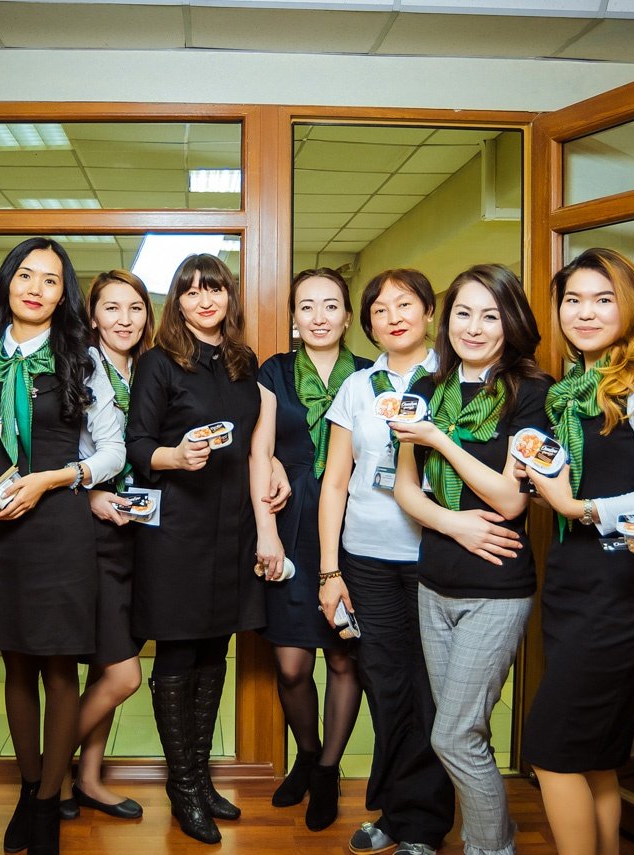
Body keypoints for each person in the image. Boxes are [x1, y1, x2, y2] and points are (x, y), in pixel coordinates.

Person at [0, 238, 125, 855]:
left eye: (51, 280)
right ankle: (29, 787)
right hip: (1, 526)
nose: (35, 288)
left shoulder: (82, 360)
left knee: (59, 669)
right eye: (25, 275)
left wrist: (54, 479)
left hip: (60, 523)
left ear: (64, 296)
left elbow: (112, 452)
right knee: (15, 665)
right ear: (7, 282)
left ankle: (45, 804)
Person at [519, 248, 634, 855]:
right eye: (573, 300)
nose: (584, 313)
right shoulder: (567, 393)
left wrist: (578, 508)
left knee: (550, 751)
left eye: (602, 300)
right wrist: (542, 487)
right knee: (595, 757)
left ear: (631, 307)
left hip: (620, 586)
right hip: (569, 579)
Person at [391, 264, 552, 855]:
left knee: (456, 736)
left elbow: (511, 499)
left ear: (511, 322)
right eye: (463, 313)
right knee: (456, 729)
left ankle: (491, 847)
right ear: (447, 320)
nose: (474, 327)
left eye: (490, 315)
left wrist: (439, 438)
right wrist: (452, 522)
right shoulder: (427, 389)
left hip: (497, 589)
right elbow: (406, 488)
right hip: (434, 582)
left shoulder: (531, 393)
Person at [317, 269, 458, 855]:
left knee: (431, 691)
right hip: (367, 560)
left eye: (405, 304)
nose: (394, 316)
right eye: (380, 309)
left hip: (434, 556)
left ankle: (424, 825)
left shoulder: (454, 380)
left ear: (429, 312)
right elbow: (335, 482)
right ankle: (398, 813)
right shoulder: (358, 386)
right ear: (368, 324)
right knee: (386, 686)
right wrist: (330, 571)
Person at [125, 254, 264, 845]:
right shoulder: (159, 363)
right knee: (178, 655)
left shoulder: (242, 362)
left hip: (231, 528)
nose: (205, 301)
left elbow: (256, 440)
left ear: (229, 297)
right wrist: (176, 457)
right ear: (176, 302)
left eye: (215, 289)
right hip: (177, 532)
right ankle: (182, 788)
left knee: (215, 651)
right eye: (191, 291)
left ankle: (202, 780)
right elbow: (137, 444)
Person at [251, 268, 369, 831]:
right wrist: (267, 515)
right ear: (294, 318)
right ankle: (306, 751)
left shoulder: (370, 375)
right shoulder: (273, 371)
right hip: (291, 520)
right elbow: (260, 446)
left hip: (353, 525)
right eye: (306, 306)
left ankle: (326, 771)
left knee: (344, 656)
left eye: (330, 305)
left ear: (347, 316)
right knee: (292, 663)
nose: (319, 316)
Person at [59, 270, 156, 822]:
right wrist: (89, 494)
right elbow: (58, 448)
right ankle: (48, 772)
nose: (124, 319)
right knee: (123, 675)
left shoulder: (148, 369)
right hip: (91, 532)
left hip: (138, 532)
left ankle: (87, 780)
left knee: (105, 670)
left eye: (135, 307)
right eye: (112, 308)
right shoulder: (81, 366)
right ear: (93, 316)